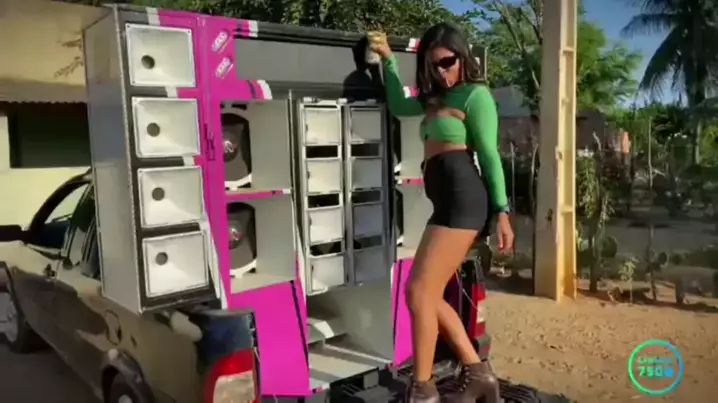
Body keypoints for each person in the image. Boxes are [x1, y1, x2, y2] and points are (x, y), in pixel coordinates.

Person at [368, 23, 514, 402]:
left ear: (462, 57)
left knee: (418, 291)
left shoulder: (476, 96)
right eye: (433, 65)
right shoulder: (433, 98)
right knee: (427, 294)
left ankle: (423, 389)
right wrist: (389, 61)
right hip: (445, 204)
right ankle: (478, 374)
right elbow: (398, 105)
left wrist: (502, 211)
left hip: (466, 201)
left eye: (447, 62)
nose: (442, 71)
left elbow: (489, 156)